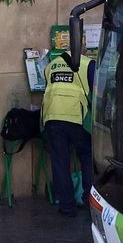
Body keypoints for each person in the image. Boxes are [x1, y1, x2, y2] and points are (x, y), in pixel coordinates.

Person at [41, 49, 95, 216]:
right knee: (87, 156)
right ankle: (89, 201)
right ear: (83, 49)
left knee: (60, 162)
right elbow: (96, 90)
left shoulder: (51, 65)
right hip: (76, 118)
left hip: (52, 118)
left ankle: (67, 206)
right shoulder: (88, 64)